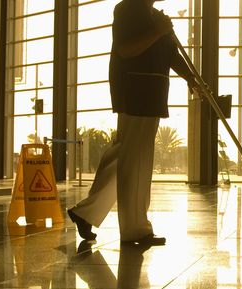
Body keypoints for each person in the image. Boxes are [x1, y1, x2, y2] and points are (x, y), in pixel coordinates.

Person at [67, 0, 201, 246]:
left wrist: (191, 77)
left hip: (152, 92)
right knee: (137, 161)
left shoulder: (156, 16)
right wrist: (159, 30)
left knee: (126, 155)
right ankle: (135, 230)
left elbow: (171, 54)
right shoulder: (127, 9)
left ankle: (85, 212)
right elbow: (126, 49)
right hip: (136, 91)